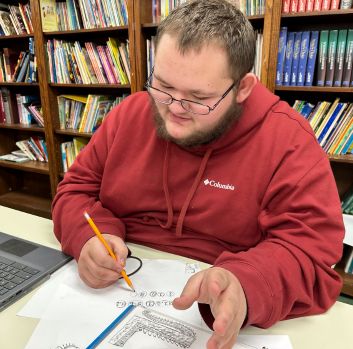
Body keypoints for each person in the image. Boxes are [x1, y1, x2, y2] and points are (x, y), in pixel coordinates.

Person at [52, 1, 344, 348]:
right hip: (113, 293)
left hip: (216, 311)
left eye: (199, 97)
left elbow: (310, 251)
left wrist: (246, 284)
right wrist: (87, 237)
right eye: (163, 86)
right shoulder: (129, 114)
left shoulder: (288, 140)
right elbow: (74, 191)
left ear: (244, 88)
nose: (174, 109)